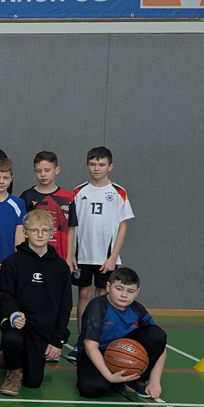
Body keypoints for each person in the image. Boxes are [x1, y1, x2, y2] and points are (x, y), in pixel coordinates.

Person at [0, 209, 72, 396]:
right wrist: (13, 314)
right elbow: (5, 296)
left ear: (52, 233)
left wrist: (57, 340)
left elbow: (65, 305)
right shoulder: (12, 262)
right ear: (26, 232)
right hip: (17, 323)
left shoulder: (61, 267)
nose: (40, 234)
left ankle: (7, 356)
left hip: (42, 328)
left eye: (45, 230)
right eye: (35, 230)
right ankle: (13, 370)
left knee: (33, 382)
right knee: (12, 339)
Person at [68, 146, 134, 359]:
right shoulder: (79, 191)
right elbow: (72, 226)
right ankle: (82, 342)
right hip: (83, 255)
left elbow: (123, 226)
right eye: (93, 164)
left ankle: (101, 342)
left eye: (101, 164)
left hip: (106, 257)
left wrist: (114, 256)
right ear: (87, 165)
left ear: (110, 166)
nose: (97, 168)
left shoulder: (118, 192)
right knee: (84, 296)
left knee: (103, 297)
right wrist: (71, 255)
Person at [75, 267, 167, 400]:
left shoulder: (138, 309)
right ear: (108, 287)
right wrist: (109, 376)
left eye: (130, 291)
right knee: (91, 389)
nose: (124, 295)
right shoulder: (97, 307)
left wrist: (155, 381)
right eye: (119, 289)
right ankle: (116, 376)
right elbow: (90, 346)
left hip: (124, 350)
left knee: (156, 334)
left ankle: (134, 380)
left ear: (137, 292)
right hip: (96, 353)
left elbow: (161, 344)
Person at [20, 151, 77, 265]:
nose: (43, 174)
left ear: (57, 170)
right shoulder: (27, 196)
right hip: (33, 255)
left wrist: (70, 256)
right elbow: (21, 228)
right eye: (38, 171)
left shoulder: (67, 197)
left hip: (60, 255)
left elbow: (71, 228)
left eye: (47, 170)